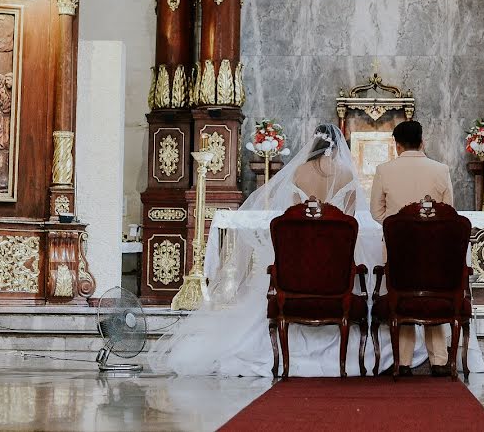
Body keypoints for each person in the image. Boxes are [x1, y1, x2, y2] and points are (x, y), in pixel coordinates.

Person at [151, 124, 378, 377]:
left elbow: (295, 219)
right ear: (338, 147)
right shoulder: (347, 174)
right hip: (336, 265)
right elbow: (350, 219)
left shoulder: (299, 173)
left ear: (313, 144)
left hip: (301, 263)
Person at [370, 120, 454, 377]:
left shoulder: (384, 170)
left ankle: (403, 361)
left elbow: (376, 212)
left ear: (397, 146)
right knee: (433, 295)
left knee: (403, 297)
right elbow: (449, 212)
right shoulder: (441, 169)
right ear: (422, 141)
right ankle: (439, 360)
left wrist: (398, 225)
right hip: (434, 252)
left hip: (399, 251)